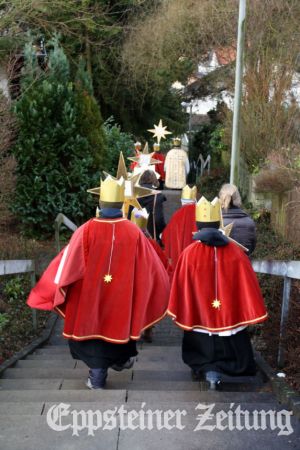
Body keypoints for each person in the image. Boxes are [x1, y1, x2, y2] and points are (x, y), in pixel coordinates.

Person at [27, 174, 170, 389]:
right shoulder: (134, 232)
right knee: (118, 328)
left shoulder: (85, 230)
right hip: (122, 297)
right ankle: (119, 361)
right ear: (122, 203)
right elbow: (150, 267)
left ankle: (97, 375)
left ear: (100, 203)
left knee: (92, 332)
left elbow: (68, 264)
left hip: (89, 296)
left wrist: (57, 288)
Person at [167, 196, 267, 390]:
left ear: (198, 223)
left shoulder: (189, 253)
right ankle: (226, 366)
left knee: (201, 334)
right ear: (218, 222)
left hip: (200, 312)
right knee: (228, 334)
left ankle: (203, 366)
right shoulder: (236, 252)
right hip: (227, 311)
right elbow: (245, 282)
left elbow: (181, 284)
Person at [131, 207, 172, 342]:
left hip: (131, 281)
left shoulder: (126, 242)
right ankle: (148, 331)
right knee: (148, 305)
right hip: (148, 280)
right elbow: (164, 262)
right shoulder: (152, 243)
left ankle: (132, 330)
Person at [162, 185, 198, 269]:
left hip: (179, 259)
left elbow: (165, 237)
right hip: (196, 258)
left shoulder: (176, 215)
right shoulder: (201, 214)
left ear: (182, 201)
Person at [129, 170, 166, 242]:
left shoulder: (133, 194)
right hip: (151, 237)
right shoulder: (157, 196)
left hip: (134, 236)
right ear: (154, 180)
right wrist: (163, 229)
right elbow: (158, 219)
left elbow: (129, 217)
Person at [219, 183, 257, 255]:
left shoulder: (216, 222)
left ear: (221, 200)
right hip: (244, 264)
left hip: (222, 265)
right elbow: (252, 247)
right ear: (238, 198)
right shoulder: (249, 222)